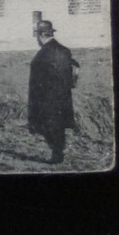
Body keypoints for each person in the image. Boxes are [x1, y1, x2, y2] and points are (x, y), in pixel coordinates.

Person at [28, 19, 80, 164]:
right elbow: (75, 68)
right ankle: (58, 153)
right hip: (63, 97)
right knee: (59, 126)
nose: (37, 39)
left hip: (46, 98)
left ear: (41, 35)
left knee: (48, 126)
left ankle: (57, 155)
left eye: (38, 36)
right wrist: (71, 84)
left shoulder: (43, 54)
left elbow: (37, 82)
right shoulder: (64, 50)